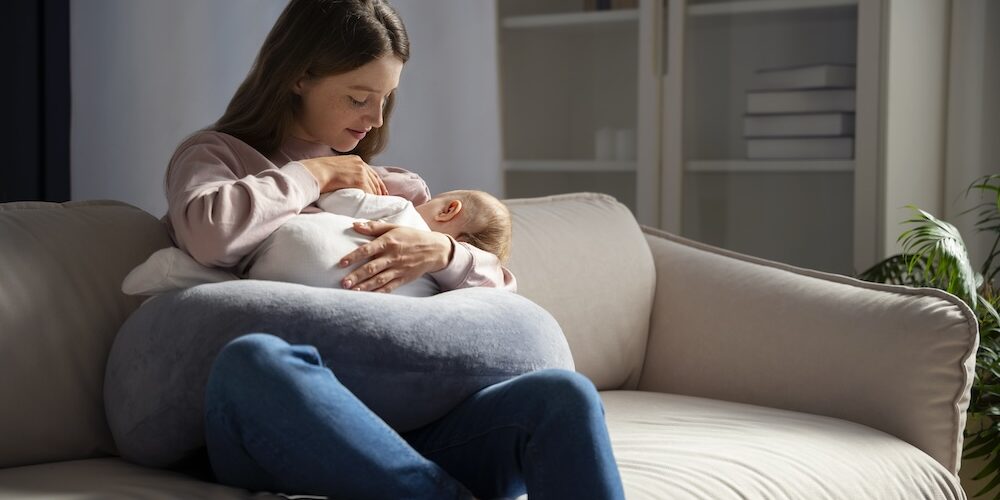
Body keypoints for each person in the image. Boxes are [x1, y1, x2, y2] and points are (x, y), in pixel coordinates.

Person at [163, 0, 626, 498]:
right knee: (251, 361)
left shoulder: (393, 190)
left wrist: (442, 255)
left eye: (386, 98)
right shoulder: (218, 156)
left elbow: (499, 297)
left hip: (412, 424)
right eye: (359, 97)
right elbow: (208, 234)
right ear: (299, 76)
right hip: (295, 426)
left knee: (564, 395)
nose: (375, 117)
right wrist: (312, 175)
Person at [243, 188, 512, 297]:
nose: (423, 202)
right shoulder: (435, 290)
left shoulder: (402, 209)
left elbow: (334, 199)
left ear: (448, 210)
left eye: (432, 201)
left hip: (267, 264)